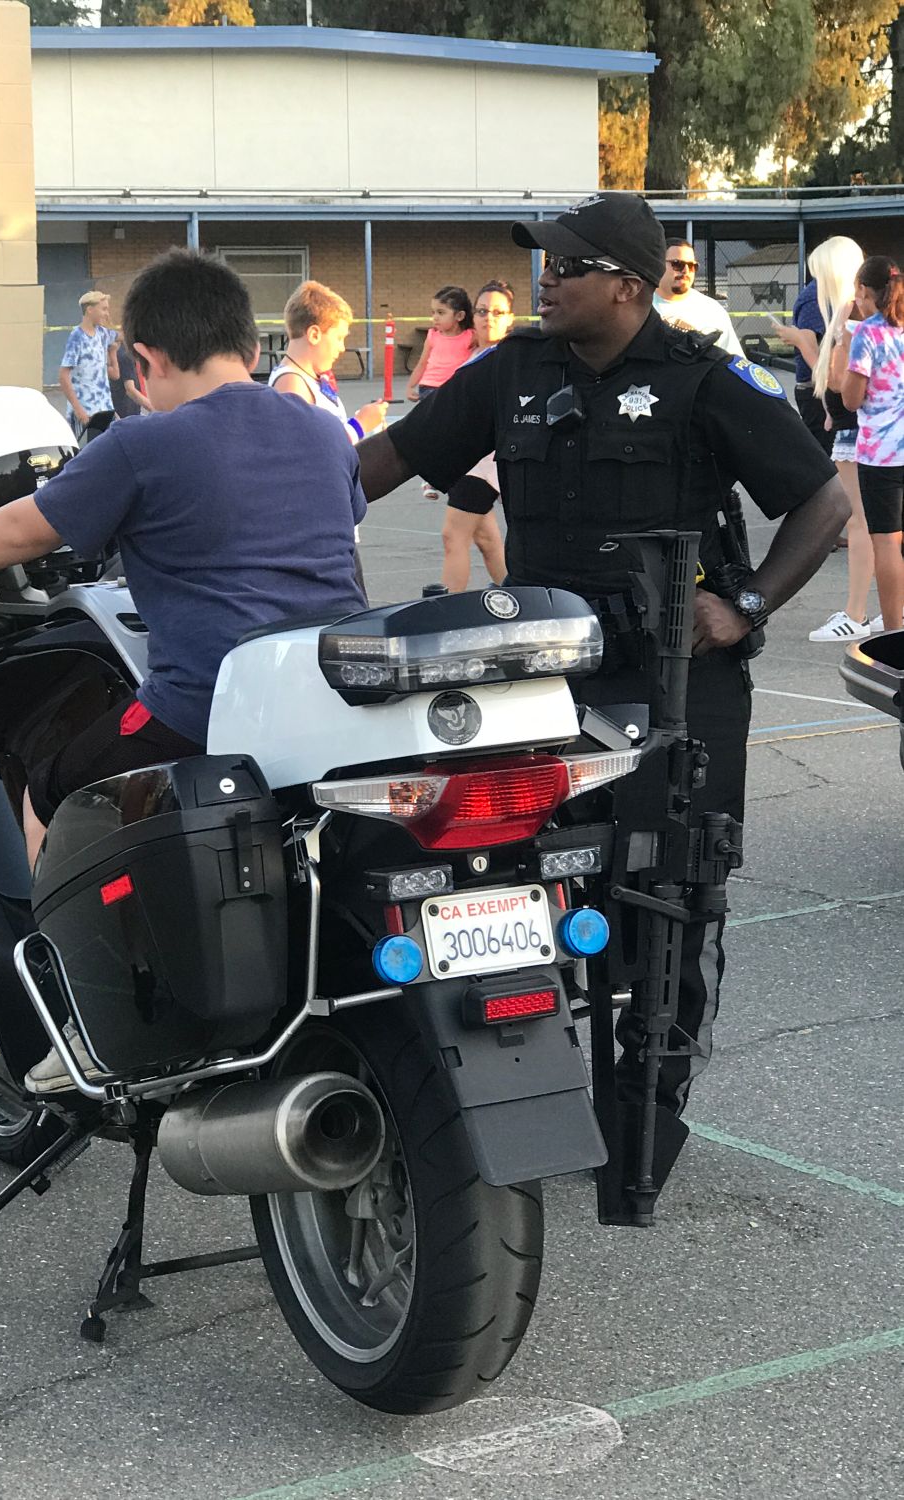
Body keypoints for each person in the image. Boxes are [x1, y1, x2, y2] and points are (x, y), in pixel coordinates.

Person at [356, 192, 848, 1198]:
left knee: (669, 900)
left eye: (568, 266)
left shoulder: (700, 383)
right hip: (541, 691)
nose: (547, 278)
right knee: (518, 881)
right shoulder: (515, 372)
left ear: (626, 284)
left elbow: (826, 500)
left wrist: (745, 605)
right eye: (547, 262)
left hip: (676, 686)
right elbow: (387, 461)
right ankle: (522, 1085)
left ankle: (646, 1108)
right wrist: (265, 487)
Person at [0, 249, 368, 1089]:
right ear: (251, 349)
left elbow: (24, 530)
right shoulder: (321, 428)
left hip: (206, 705)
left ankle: (68, 1021)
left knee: (51, 786)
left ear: (140, 360)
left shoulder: (144, 444)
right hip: (328, 700)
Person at [268, 280, 388, 596]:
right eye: (338, 337)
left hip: (335, 523)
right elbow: (309, 455)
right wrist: (360, 425)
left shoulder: (313, 380)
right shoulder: (291, 385)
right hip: (317, 532)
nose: (341, 347)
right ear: (314, 334)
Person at [807, 257, 879, 642]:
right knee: (886, 527)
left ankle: (856, 612)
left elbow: (841, 385)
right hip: (883, 436)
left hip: (861, 435)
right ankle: (890, 608)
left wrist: (837, 340)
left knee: (860, 524)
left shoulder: (858, 323)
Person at [842, 256, 904, 632]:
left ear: (864, 291)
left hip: (883, 454)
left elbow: (851, 398)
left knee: (887, 542)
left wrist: (847, 344)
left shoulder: (868, 332)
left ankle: (895, 630)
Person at [440, 280, 513, 591]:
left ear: (510, 318)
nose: (489, 318)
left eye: (498, 312)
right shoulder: (475, 355)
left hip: (488, 462)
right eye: (482, 311)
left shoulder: (509, 357)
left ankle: (444, 612)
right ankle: (522, 598)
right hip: (466, 459)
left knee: (453, 535)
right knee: (486, 539)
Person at [775, 238, 864, 460]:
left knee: (830, 475)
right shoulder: (821, 299)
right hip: (829, 399)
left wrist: (800, 341)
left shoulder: (837, 304)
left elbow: (824, 370)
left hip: (832, 398)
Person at [406, 285, 475, 498]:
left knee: (457, 434)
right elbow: (423, 361)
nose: (435, 318)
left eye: (441, 312)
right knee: (432, 434)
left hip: (454, 390)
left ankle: (463, 474)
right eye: (433, 312)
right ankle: (429, 480)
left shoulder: (470, 336)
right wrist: (411, 384)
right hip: (430, 389)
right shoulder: (433, 336)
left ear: (460, 315)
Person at [653, 239, 744, 357]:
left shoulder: (712, 310)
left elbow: (733, 360)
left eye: (692, 266)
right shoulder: (638, 305)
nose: (686, 271)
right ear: (658, 264)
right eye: (677, 264)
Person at [58, 290, 120, 440]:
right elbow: (63, 375)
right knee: (87, 454)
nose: (106, 313)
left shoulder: (103, 333)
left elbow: (123, 336)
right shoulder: (77, 336)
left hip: (105, 410)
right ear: (90, 309)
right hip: (86, 412)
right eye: (103, 309)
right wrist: (78, 409)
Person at [110, 337, 152, 418]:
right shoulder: (126, 355)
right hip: (126, 414)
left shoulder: (120, 352)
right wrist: (154, 409)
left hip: (124, 412)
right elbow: (130, 390)